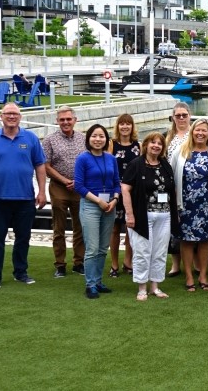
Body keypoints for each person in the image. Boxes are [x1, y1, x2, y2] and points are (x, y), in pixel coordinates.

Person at [0, 103, 47, 288]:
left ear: (20, 117)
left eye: (15, 113)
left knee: (23, 237)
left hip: (25, 199)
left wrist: (42, 191)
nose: (11, 117)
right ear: (1, 116)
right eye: (8, 113)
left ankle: (20, 272)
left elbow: (40, 166)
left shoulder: (31, 138)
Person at [121, 132, 177, 301]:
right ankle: (142, 287)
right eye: (153, 142)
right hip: (142, 216)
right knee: (142, 252)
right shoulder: (136, 165)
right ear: (145, 145)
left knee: (159, 252)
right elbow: (125, 189)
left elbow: (171, 190)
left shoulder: (165, 165)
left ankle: (155, 286)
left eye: (160, 144)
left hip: (164, 215)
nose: (156, 146)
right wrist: (130, 215)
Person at [172, 119, 208, 292]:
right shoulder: (181, 152)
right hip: (186, 204)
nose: (200, 133)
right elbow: (173, 175)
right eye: (197, 130)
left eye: (204, 130)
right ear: (192, 132)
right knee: (186, 241)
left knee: (205, 240)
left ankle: (202, 274)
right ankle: (188, 276)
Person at [74, 124, 121, 299]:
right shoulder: (82, 159)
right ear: (88, 139)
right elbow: (79, 186)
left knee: (103, 247)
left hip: (109, 206)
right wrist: (98, 200)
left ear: (106, 139)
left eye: (101, 136)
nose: (98, 139)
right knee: (92, 248)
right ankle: (90, 284)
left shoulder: (111, 159)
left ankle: (98, 281)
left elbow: (117, 182)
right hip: (91, 205)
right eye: (94, 136)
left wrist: (115, 199)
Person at [42, 106, 86, 278]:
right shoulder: (49, 140)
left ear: (75, 120)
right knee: (58, 227)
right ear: (57, 121)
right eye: (62, 120)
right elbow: (46, 165)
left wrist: (78, 181)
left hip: (79, 188)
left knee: (80, 227)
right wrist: (64, 180)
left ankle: (79, 262)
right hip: (59, 187)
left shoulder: (84, 138)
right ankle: (60, 264)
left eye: (69, 119)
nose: (66, 122)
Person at [109, 114, 139, 278]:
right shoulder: (111, 145)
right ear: (118, 126)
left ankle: (128, 261)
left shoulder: (138, 146)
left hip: (132, 193)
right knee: (114, 229)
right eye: (122, 124)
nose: (125, 127)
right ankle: (114, 263)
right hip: (115, 191)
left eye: (128, 124)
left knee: (130, 228)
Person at [164, 102, 192, 277]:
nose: (181, 118)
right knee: (174, 224)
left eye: (184, 115)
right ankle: (175, 264)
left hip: (191, 187)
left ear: (190, 115)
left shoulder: (194, 134)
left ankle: (194, 262)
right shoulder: (168, 137)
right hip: (171, 187)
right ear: (173, 118)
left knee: (190, 224)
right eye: (178, 115)